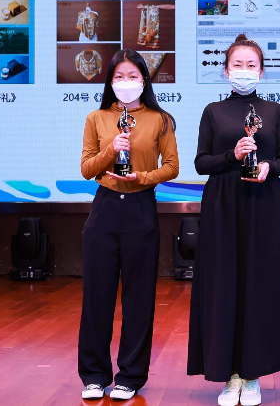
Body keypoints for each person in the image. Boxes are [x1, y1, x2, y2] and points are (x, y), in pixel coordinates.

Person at [187, 34, 280, 406]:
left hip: (263, 202)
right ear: (226, 71)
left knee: (259, 284)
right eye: (237, 65)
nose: (244, 70)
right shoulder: (213, 110)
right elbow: (201, 163)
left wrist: (268, 166)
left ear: (261, 70)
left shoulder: (274, 111)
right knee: (223, 285)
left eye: (251, 65)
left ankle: (253, 374)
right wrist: (232, 155)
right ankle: (230, 375)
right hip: (222, 204)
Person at [77, 50, 179, 401]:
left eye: (133, 76)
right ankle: (94, 375)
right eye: (119, 76)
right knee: (97, 295)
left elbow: (172, 166)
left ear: (144, 80)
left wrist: (143, 177)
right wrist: (111, 149)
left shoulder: (159, 119)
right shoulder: (96, 118)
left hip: (141, 208)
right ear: (110, 81)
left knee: (139, 297)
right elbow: (87, 168)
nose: (126, 82)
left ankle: (130, 376)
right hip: (104, 209)